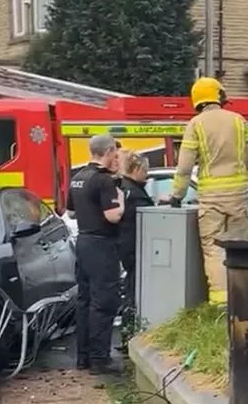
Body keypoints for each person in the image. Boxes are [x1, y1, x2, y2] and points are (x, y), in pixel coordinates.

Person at [169, 77, 248, 307]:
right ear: (219, 96)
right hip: (239, 195)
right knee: (239, 246)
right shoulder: (239, 121)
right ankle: (243, 298)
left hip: (211, 198)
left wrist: (177, 195)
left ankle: (220, 302)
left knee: (214, 249)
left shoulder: (195, 124)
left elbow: (185, 166)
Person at [66, 134, 125, 375]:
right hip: (102, 245)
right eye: (114, 153)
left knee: (85, 300)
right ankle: (100, 359)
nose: (116, 157)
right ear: (108, 151)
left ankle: (84, 357)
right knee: (104, 302)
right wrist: (120, 200)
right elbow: (113, 216)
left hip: (83, 242)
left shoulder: (77, 177)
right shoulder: (103, 181)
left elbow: (70, 212)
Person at [116, 151, 154, 353]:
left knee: (131, 290)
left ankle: (127, 335)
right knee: (133, 293)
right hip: (135, 249)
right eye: (145, 171)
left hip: (126, 248)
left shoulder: (124, 188)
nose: (146, 175)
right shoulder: (136, 194)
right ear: (137, 169)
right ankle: (128, 336)